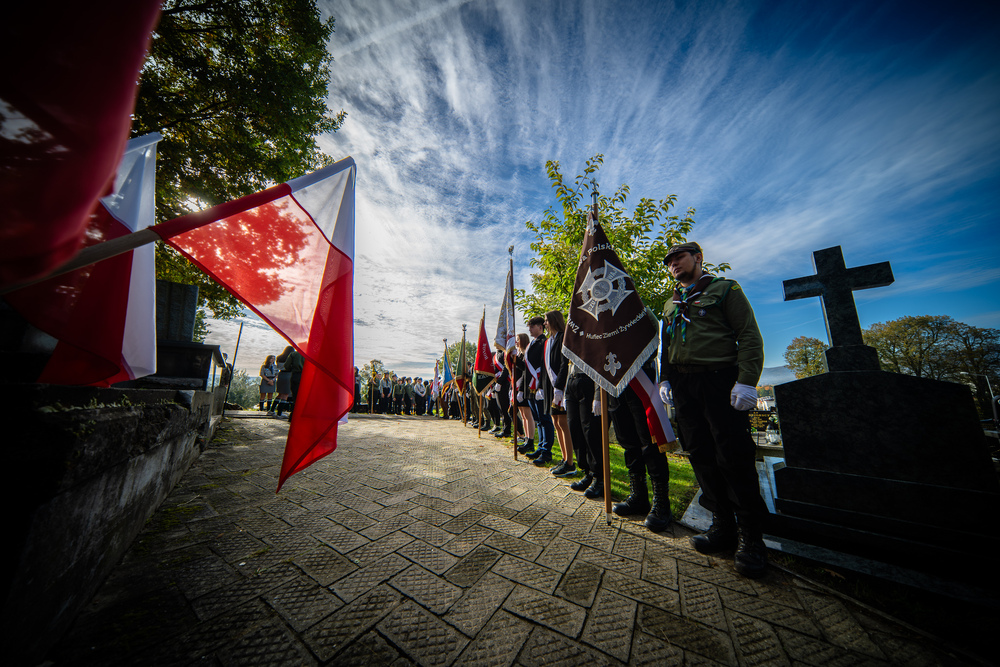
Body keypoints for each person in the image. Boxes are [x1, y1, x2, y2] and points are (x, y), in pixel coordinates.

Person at [659, 241, 767, 578]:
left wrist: (747, 380)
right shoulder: (670, 303)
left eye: (680, 257)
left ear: (698, 258)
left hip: (720, 382)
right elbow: (668, 345)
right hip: (685, 387)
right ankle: (723, 526)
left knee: (733, 457)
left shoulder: (724, 289)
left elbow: (748, 334)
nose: (674, 264)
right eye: (670, 261)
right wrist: (665, 378)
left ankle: (752, 537)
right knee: (701, 455)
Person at [541, 310, 575, 476]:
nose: (545, 324)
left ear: (554, 321)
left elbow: (564, 364)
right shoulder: (548, 341)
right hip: (551, 388)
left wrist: (559, 387)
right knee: (556, 422)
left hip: (561, 387)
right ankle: (563, 458)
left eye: (546, 321)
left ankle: (570, 462)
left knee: (563, 423)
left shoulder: (563, 337)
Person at [523, 320, 555, 463]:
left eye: (532, 326)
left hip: (540, 386)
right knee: (539, 420)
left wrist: (541, 385)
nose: (529, 329)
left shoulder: (544, 342)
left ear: (540, 327)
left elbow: (544, 364)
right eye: (529, 326)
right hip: (532, 386)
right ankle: (540, 447)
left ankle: (546, 452)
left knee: (545, 419)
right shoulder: (532, 343)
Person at [513, 334, 536, 453]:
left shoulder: (526, 353)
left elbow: (525, 369)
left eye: (517, 340)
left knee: (528, 415)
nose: (516, 342)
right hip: (518, 387)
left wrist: (516, 360)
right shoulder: (519, 353)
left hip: (525, 386)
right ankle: (527, 439)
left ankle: (530, 440)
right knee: (522, 415)